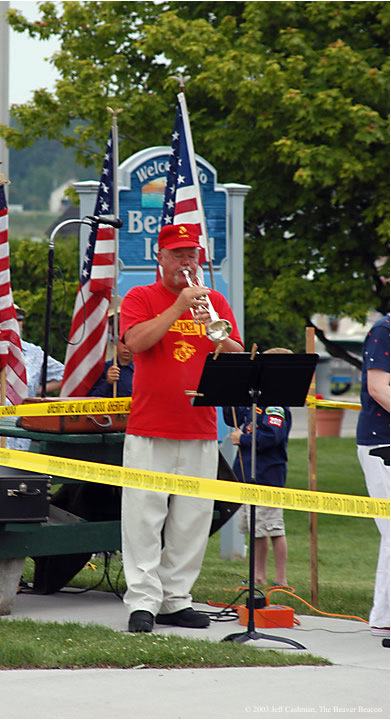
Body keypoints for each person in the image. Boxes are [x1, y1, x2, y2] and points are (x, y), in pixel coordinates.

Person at [119, 223, 244, 633]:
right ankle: (142, 601)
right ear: (160, 257)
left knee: (191, 520)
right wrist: (178, 308)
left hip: (200, 426)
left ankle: (176, 599)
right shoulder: (141, 297)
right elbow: (135, 342)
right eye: (177, 255)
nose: (186, 262)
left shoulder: (215, 301)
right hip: (150, 426)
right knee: (143, 517)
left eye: (192, 255)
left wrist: (212, 324)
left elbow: (236, 353)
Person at [224, 348, 293, 587]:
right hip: (246, 474)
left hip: (268, 475)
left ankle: (280, 579)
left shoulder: (276, 405)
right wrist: (231, 387)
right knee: (255, 530)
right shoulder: (256, 401)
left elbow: (270, 437)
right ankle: (258, 575)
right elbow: (232, 417)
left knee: (272, 528)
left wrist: (241, 439)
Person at [0, 305, 65, 450]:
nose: (13, 324)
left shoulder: (35, 353)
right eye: (6, 320)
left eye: (17, 319)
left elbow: (64, 375)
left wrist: (32, 390)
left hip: (18, 439)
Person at [356, 313, 389, 638]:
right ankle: (382, 616)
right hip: (382, 441)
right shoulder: (384, 330)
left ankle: (383, 615)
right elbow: (379, 388)